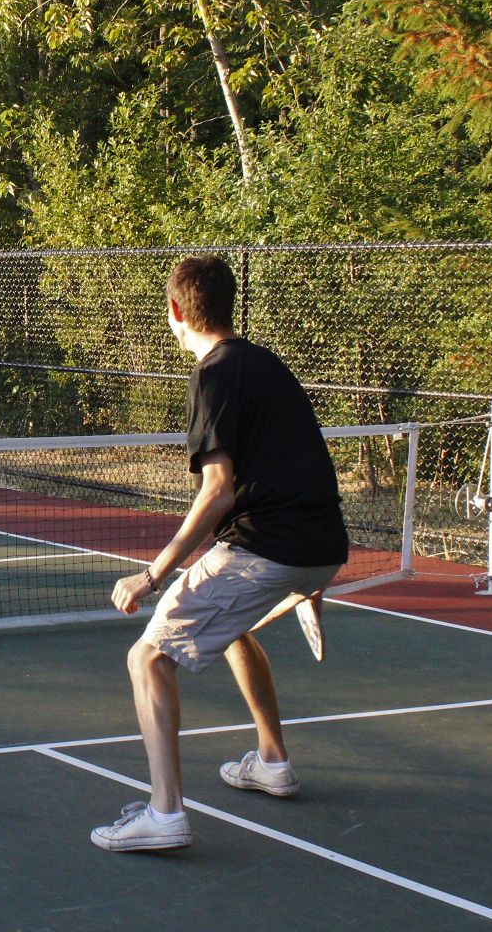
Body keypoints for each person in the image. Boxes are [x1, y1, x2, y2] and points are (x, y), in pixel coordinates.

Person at [90, 256, 348, 853]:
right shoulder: (268, 364)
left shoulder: (212, 374)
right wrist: (311, 576)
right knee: (232, 629)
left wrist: (152, 575)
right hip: (321, 546)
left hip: (267, 547)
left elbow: (218, 489)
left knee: (148, 659)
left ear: (176, 312)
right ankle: (273, 762)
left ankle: (165, 814)